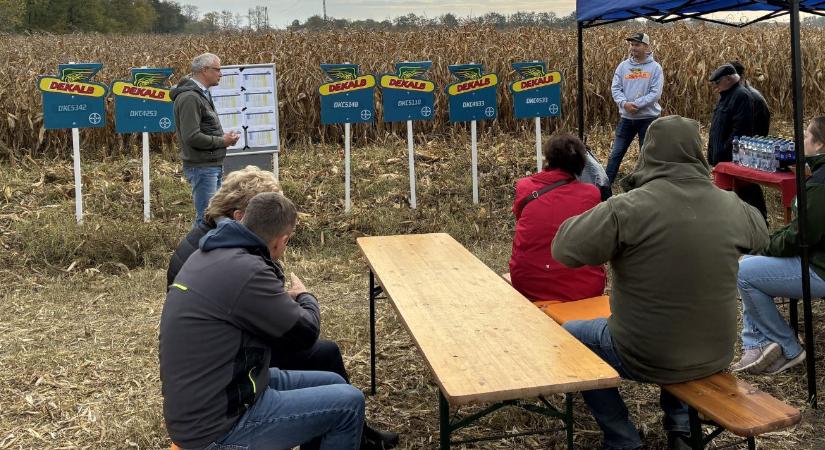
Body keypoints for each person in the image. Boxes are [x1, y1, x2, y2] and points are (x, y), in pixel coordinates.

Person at [552, 116, 769, 450]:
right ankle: (680, 428)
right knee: (680, 321)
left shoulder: (627, 208)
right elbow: (762, 237)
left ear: (648, 153)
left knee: (572, 335)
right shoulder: (731, 206)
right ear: (697, 153)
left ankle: (622, 438)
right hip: (715, 352)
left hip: (643, 353)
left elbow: (564, 249)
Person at [165, 167, 399, 449]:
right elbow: (305, 331)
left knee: (333, 381)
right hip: (219, 423)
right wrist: (305, 296)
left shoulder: (211, 249)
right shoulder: (246, 268)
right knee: (349, 402)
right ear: (281, 239)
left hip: (225, 389)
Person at [731, 116, 825, 375]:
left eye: (806, 136)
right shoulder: (817, 178)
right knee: (749, 265)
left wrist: (765, 246)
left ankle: (788, 346)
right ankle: (756, 344)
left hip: (819, 267)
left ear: (819, 144)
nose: (801, 140)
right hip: (816, 258)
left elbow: (800, 236)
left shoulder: (819, 185)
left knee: (743, 272)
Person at [509, 134, 605, 301]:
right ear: (581, 163)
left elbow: (521, 220)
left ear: (548, 159)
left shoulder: (524, 186)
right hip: (582, 289)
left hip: (528, 284)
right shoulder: (591, 194)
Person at [171, 52, 241, 226]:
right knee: (206, 218)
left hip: (210, 164)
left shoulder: (201, 94)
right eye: (217, 69)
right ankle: (196, 245)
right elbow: (191, 136)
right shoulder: (190, 97)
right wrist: (222, 141)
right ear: (204, 70)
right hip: (202, 167)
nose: (221, 74)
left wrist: (224, 139)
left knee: (213, 216)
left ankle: (208, 244)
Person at [707, 63, 768, 223]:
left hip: (731, 161)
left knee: (746, 196)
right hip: (723, 161)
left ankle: (759, 223)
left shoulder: (741, 96)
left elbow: (740, 131)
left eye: (717, 83)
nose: (715, 87)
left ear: (728, 79)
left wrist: (723, 152)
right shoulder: (726, 95)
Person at [606, 32, 664, 185]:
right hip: (627, 118)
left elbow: (655, 93)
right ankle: (604, 187)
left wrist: (636, 104)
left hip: (648, 120)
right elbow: (615, 88)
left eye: (637, 45)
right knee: (616, 153)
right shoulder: (623, 66)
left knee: (646, 156)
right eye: (632, 44)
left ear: (646, 46)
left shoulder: (655, 68)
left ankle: (645, 187)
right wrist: (624, 103)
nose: (633, 48)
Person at [729, 60, 771, 137]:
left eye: (730, 79)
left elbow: (760, 132)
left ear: (741, 77)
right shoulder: (729, 95)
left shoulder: (756, 99)